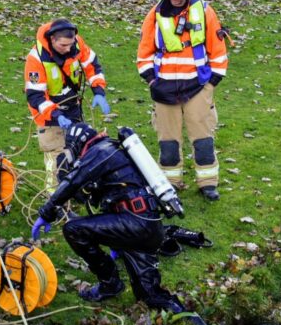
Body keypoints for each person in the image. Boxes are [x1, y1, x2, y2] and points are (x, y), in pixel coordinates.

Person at [31, 123, 184, 312]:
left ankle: (109, 283)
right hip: (148, 227)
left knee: (74, 230)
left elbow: (73, 182)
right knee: (150, 297)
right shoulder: (113, 150)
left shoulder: (100, 152)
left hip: (134, 226)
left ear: (77, 144)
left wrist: (47, 213)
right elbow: (86, 194)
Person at [137, 0, 229, 202]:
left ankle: (208, 183)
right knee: (168, 141)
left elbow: (218, 51)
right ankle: (170, 184)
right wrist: (152, 81)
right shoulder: (155, 15)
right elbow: (144, 52)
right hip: (164, 88)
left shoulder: (205, 12)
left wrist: (211, 84)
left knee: (203, 139)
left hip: (197, 86)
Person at [24, 18, 110, 192]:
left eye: (70, 45)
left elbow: (92, 66)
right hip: (49, 115)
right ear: (52, 39)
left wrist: (99, 91)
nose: (68, 49)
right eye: (63, 45)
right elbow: (35, 96)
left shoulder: (76, 43)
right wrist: (56, 115)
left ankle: (71, 191)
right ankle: (54, 198)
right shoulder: (36, 59)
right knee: (57, 157)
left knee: (77, 150)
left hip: (73, 107)